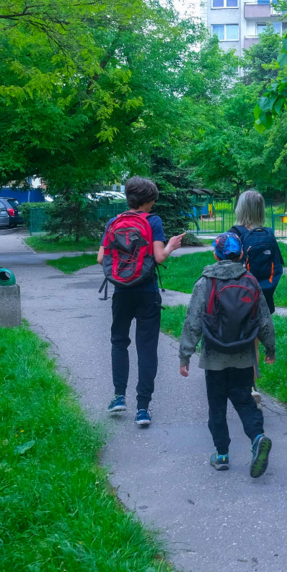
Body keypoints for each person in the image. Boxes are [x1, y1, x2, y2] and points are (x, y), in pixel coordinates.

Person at [179, 232, 275, 478]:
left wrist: (185, 355)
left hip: (214, 355)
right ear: (242, 255)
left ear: (215, 254)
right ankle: (258, 437)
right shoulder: (251, 281)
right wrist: (269, 348)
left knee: (217, 405)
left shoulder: (205, 281)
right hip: (243, 353)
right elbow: (264, 319)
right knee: (244, 399)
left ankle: (221, 455)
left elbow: (193, 321)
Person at [97, 176, 184, 427]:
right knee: (146, 348)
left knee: (119, 342)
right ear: (148, 201)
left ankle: (118, 397)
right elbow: (158, 258)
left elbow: (101, 259)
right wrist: (171, 246)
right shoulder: (152, 221)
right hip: (147, 291)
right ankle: (143, 409)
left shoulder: (114, 221)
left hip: (121, 292)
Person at [229, 190, 283, 404]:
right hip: (263, 297)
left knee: (235, 341)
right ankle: (251, 387)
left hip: (239, 296)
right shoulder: (268, 234)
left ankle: (236, 383)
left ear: (240, 208)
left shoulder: (235, 233)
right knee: (254, 344)